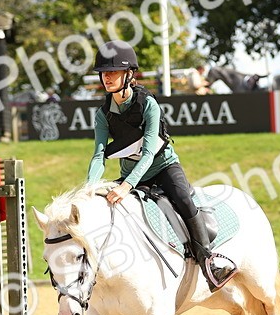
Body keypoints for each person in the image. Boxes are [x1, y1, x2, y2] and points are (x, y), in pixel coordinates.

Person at [87, 40, 236, 291]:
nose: (107, 77)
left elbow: (147, 154)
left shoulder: (148, 104)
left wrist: (126, 186)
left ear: (129, 75)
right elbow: (98, 156)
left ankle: (209, 262)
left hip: (164, 168)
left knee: (183, 198)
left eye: (113, 71)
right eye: (104, 72)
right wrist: (89, 189)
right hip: (131, 175)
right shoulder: (103, 114)